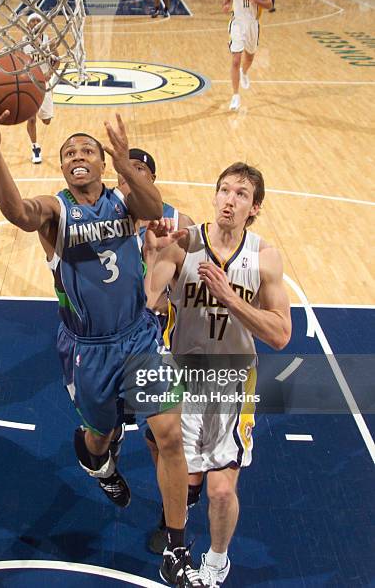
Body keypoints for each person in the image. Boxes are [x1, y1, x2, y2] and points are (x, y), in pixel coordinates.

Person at [0, 92, 205, 587]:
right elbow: (15, 211)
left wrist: (127, 161)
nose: (78, 157)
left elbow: (155, 204)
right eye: (69, 153)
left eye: (87, 151)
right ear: (62, 168)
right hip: (87, 350)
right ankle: (97, 459)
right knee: (100, 437)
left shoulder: (127, 201)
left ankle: (179, 551)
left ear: (101, 163)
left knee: (168, 434)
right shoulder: (55, 212)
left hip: (139, 337)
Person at [143, 162, 291, 585]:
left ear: (254, 208)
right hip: (182, 376)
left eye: (241, 194)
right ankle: (177, 539)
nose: (229, 199)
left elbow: (281, 334)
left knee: (222, 490)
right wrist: (152, 253)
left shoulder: (264, 257)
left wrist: (230, 297)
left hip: (232, 384)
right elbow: (149, 301)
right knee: (181, 476)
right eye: (224, 190)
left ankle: (217, 560)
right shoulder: (185, 244)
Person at [117, 147, 194, 350]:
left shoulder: (179, 222)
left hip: (161, 326)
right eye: (125, 168)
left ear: (153, 177)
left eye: (139, 168)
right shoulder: (105, 219)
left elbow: (196, 283)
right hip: (116, 323)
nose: (130, 173)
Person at [222, 0, 272, 111]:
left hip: (252, 25)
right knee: (236, 60)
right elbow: (226, 0)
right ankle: (235, 96)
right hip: (236, 23)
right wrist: (226, 6)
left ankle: (244, 72)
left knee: (249, 57)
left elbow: (269, 4)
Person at [23, 13, 58, 164]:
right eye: (32, 21)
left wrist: (50, 72)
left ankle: (39, 110)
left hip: (45, 82)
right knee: (31, 118)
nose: (35, 23)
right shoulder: (22, 43)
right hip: (30, 83)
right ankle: (35, 147)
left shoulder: (49, 41)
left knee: (47, 120)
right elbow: (18, 64)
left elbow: (57, 61)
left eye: (38, 20)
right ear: (27, 25)